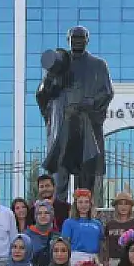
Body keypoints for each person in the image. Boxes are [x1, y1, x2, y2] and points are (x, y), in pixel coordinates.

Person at [36, 25, 114, 200]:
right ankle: (58, 216)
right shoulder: (59, 63)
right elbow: (42, 92)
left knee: (85, 178)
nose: (77, 42)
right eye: (74, 38)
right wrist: (50, 87)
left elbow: (107, 92)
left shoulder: (98, 65)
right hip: (62, 126)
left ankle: (83, 217)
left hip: (85, 125)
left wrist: (91, 102)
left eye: (81, 38)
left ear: (87, 40)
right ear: (68, 40)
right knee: (59, 176)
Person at [62, 188, 106, 266]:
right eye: (80, 202)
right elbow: (65, 243)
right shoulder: (69, 222)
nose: (83, 205)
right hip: (76, 258)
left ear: (90, 204)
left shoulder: (97, 223)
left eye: (86, 202)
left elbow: (102, 243)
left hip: (94, 258)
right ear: (76, 204)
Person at [104, 191, 134, 266]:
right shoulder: (110, 224)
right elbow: (106, 244)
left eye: (126, 204)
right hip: (113, 261)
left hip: (131, 261)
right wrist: (106, 261)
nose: (123, 206)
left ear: (130, 207)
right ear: (116, 206)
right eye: (120, 204)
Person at [26, 200, 58, 266]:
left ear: (51, 215)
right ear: (35, 216)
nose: (43, 216)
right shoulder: (26, 236)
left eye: (46, 213)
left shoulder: (57, 236)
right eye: (39, 213)